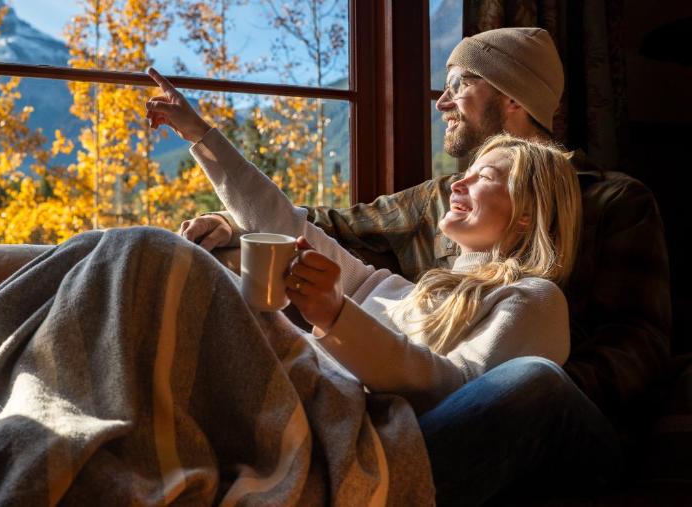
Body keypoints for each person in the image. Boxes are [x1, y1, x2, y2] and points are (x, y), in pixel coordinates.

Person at [146, 66, 621, 504]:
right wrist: (198, 134)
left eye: (484, 178)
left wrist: (337, 316)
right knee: (144, 253)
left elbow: (456, 394)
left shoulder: (534, 299)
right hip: (339, 433)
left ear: (525, 214)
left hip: (419, 454)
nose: (457, 184)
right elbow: (290, 225)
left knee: (535, 380)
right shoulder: (400, 291)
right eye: (465, 173)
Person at [177, 28, 671, 430]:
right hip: (413, 397)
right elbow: (333, 226)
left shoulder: (611, 204)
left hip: (532, 413)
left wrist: (537, 392)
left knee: (532, 381)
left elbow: (636, 341)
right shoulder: (437, 208)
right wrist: (230, 215)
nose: (442, 102)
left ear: (513, 98)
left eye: (459, 84)